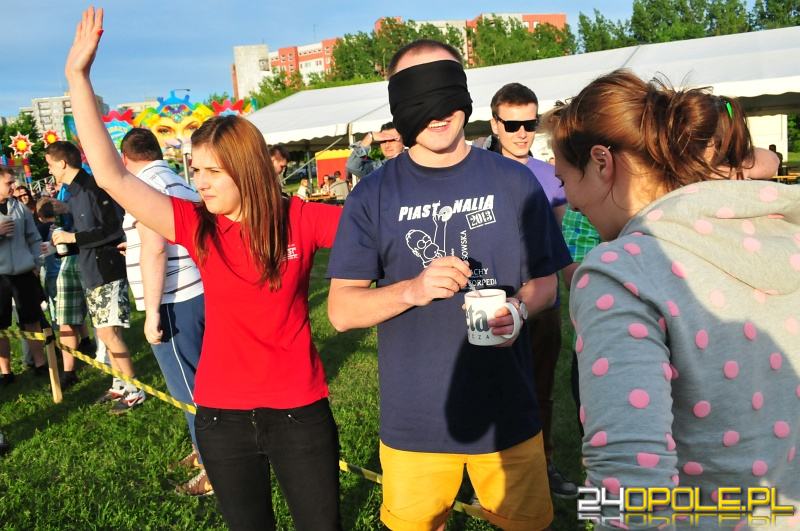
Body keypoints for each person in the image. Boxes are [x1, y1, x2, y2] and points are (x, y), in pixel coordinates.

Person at [66, 8, 343, 529]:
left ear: (247, 169)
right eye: (197, 170)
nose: (201, 182)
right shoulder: (197, 225)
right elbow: (109, 175)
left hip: (299, 412)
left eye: (213, 171)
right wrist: (78, 78)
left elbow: (380, 230)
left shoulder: (300, 218)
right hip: (222, 418)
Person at [328, 39, 571, 531]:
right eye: (420, 98)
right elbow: (340, 311)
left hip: (508, 413)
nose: (437, 113)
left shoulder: (515, 182)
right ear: (398, 106)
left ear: (464, 95)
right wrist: (411, 290)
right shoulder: (372, 195)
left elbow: (546, 282)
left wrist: (520, 310)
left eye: (445, 93)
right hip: (415, 422)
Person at [546, 69, 800, 522]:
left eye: (565, 181)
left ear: (602, 163)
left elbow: (629, 488)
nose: (574, 204)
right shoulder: (782, 233)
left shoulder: (619, 273)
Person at [486, 82, 577, 499]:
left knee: (540, 390)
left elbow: (561, 241)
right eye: (513, 124)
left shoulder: (551, 175)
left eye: (530, 123)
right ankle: (492, 473)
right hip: (494, 299)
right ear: (495, 124)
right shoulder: (480, 172)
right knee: (495, 389)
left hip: (542, 302)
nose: (523, 132)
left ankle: (543, 464)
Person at [119, 127, 210, 496]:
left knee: (190, 390)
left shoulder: (144, 185)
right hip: (196, 292)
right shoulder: (176, 181)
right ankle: (203, 451)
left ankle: (213, 468)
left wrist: (153, 312)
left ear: (125, 159)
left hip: (173, 300)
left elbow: (155, 248)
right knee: (203, 381)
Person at [46, 140, 144, 410]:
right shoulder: (72, 194)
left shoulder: (92, 188)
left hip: (106, 270)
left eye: (51, 165)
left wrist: (73, 237)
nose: (49, 170)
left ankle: (135, 390)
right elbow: (86, 233)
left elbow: (113, 229)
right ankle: (119, 384)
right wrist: (67, 240)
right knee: (104, 332)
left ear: (63, 163)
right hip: (90, 270)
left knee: (109, 333)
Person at [0, 167, 47, 385]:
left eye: (13, 182)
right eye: (8, 183)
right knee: (0, 326)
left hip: (24, 273)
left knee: (32, 319)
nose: (14, 186)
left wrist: (36, 263)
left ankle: (40, 363)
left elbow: (34, 237)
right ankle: (6, 372)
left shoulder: (19, 207)